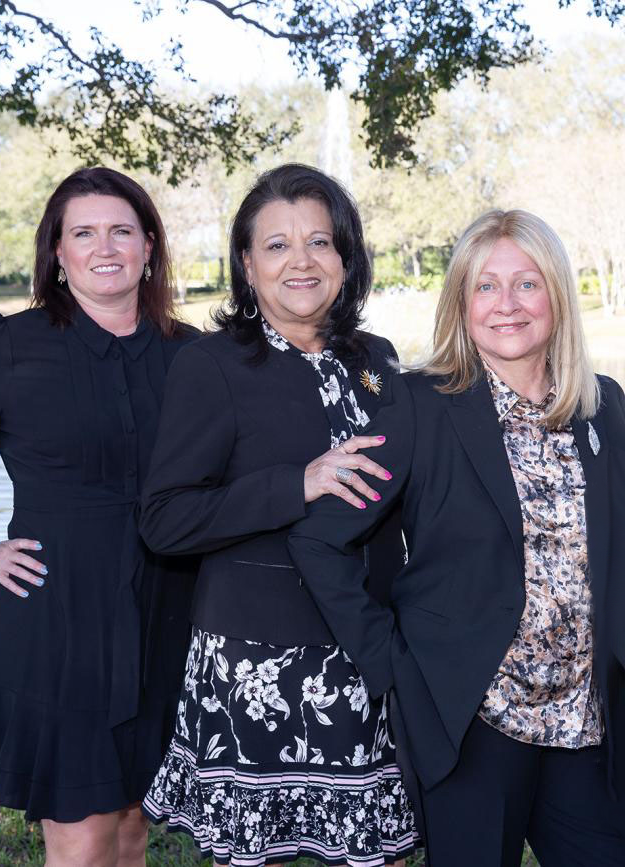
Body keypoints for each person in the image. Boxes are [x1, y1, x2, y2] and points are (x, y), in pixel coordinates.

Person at [288, 209, 625, 866]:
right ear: (461, 301)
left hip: (586, 721)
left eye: (526, 283)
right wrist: (390, 663)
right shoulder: (420, 404)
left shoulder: (602, 406)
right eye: (485, 286)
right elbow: (320, 541)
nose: (506, 304)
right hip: (472, 722)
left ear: (556, 295)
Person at [0, 167, 199, 866]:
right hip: (60, 618)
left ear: (148, 245)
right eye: (83, 233)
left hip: (170, 609)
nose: (104, 247)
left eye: (121, 231)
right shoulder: (12, 346)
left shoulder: (193, 354)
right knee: (81, 834)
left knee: (133, 826)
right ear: (57, 251)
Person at [138, 163, 419, 866]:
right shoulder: (210, 365)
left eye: (319, 242)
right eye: (276, 245)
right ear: (246, 264)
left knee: (376, 850)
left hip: (369, 648)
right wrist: (298, 483)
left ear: (345, 257)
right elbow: (165, 519)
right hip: (257, 663)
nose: (301, 261)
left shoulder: (376, 359)